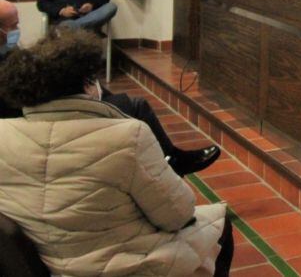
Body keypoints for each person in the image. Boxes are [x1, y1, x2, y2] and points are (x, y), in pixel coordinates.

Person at [0, 30, 233, 276]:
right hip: (122, 266)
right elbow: (178, 215)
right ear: (88, 85)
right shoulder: (128, 136)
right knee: (219, 223)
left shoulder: (3, 132)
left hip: (43, 265)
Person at [0, 0, 219, 174]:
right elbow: (19, 100)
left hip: (45, 105)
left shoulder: (10, 52)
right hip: (38, 118)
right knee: (136, 106)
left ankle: (165, 157)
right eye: (13, 26)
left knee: (102, 90)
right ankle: (168, 161)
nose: (18, 30)